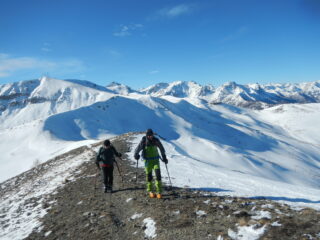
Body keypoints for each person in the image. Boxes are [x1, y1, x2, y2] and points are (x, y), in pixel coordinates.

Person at [134, 129, 168, 199]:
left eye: (151, 135)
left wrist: (164, 157)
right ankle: (150, 191)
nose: (150, 137)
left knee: (158, 175)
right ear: (147, 135)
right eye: (149, 135)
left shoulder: (156, 140)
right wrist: (136, 155)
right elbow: (138, 149)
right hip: (148, 161)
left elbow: (161, 149)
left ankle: (159, 192)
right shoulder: (144, 141)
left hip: (156, 160)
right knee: (149, 176)